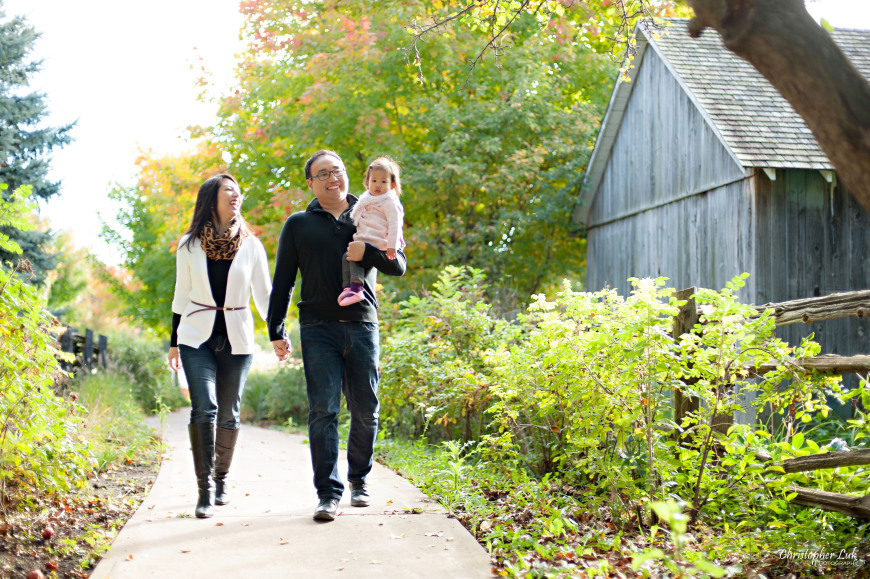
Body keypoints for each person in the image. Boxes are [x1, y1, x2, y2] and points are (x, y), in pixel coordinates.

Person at [267, 150, 407, 521]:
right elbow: (283, 281)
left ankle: (359, 480)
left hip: (362, 324)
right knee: (324, 411)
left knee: (365, 410)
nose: (333, 178)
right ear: (311, 183)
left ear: (349, 176)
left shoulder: (372, 209)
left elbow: (399, 264)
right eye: (323, 173)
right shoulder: (298, 224)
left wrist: (369, 252)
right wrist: (275, 329)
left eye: (338, 171)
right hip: (317, 327)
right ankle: (328, 493)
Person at [168, 173, 271, 519]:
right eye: (229, 190)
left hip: (237, 338)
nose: (236, 196)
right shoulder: (189, 245)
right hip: (196, 336)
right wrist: (173, 343)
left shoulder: (252, 246)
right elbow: (180, 295)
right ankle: (204, 490)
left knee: (229, 412)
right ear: (212, 198)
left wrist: (278, 332)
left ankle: (221, 478)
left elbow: (264, 296)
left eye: (239, 192)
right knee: (204, 407)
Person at [337, 157, 405, 306]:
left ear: (392, 184)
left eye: (383, 181)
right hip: (366, 237)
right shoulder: (366, 200)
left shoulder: (389, 202)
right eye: (374, 181)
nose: (378, 185)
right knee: (346, 257)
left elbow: (395, 225)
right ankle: (347, 286)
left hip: (378, 240)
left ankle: (356, 288)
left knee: (356, 258)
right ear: (367, 183)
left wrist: (392, 246)